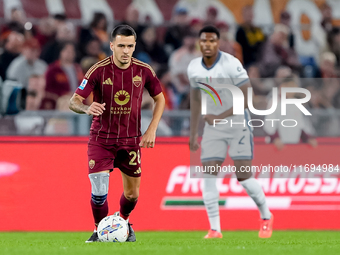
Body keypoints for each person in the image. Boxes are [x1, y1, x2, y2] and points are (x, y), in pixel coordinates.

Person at [69, 25, 165, 243]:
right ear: (112, 46)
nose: (125, 51)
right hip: (101, 139)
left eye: (129, 46)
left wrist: (152, 128)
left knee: (132, 195)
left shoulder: (144, 71)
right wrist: (86, 108)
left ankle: (122, 222)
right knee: (100, 189)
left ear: (134, 47)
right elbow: (73, 101)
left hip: (131, 141)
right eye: (121, 46)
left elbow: (160, 98)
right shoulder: (98, 70)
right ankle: (98, 231)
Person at [188, 26, 273, 239]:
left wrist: (220, 116)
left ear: (218, 43)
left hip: (237, 124)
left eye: (212, 41)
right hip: (212, 128)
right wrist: (193, 134)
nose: (207, 45)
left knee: (243, 177)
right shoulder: (193, 68)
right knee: (208, 176)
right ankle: (215, 229)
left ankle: (266, 215)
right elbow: (196, 99)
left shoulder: (232, 64)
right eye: (204, 41)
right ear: (200, 43)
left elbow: (245, 99)